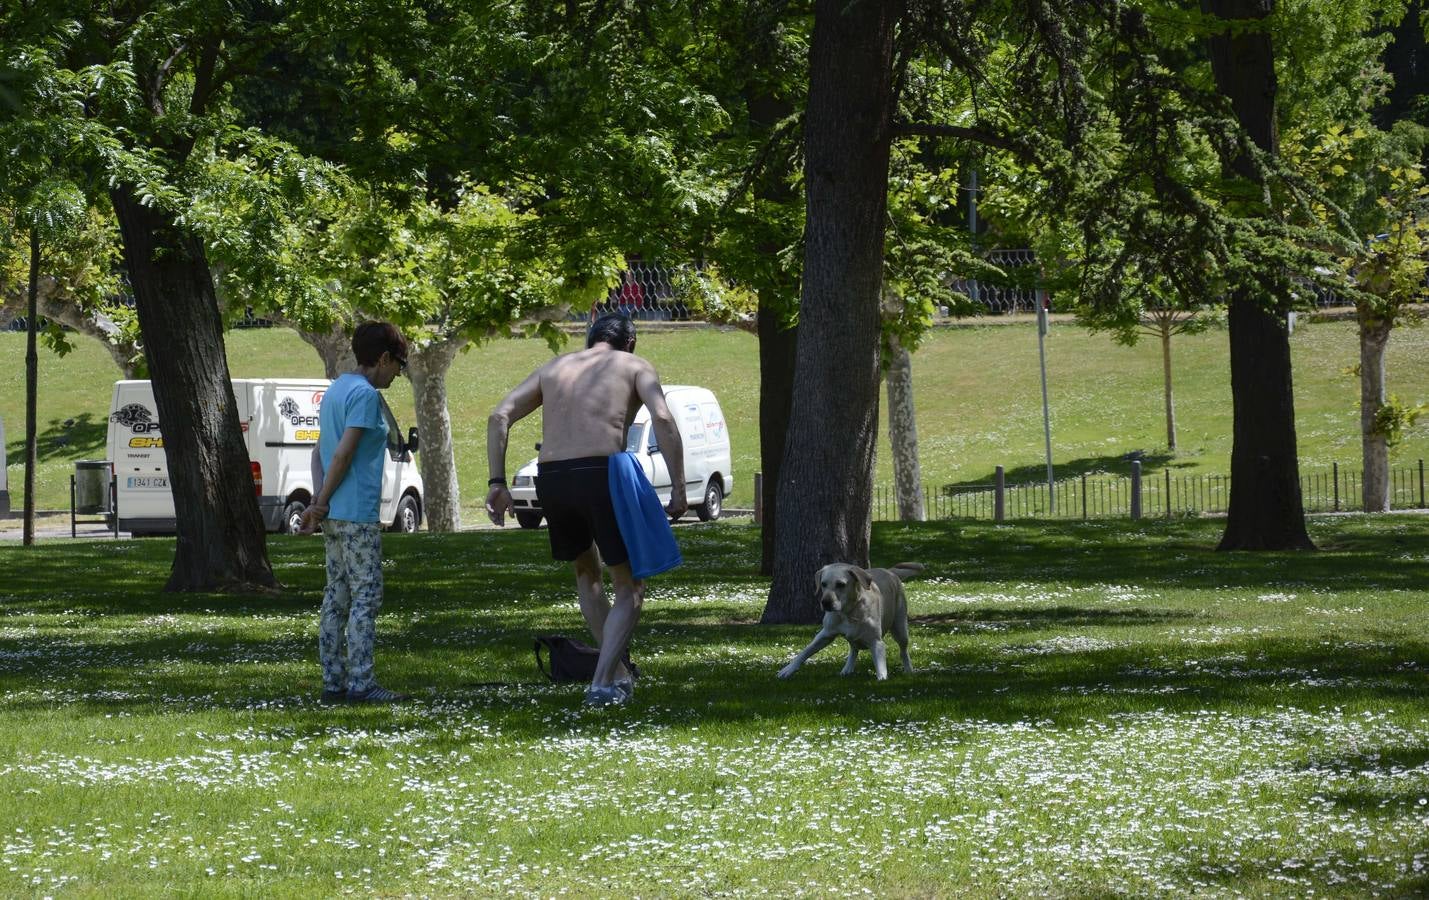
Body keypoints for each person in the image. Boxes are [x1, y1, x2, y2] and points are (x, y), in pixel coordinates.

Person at [485, 313, 687, 707]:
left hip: (553, 476)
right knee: (629, 587)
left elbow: (499, 415)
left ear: (590, 340)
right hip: (602, 471)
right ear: (630, 343)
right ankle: (600, 683)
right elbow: (662, 417)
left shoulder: (554, 367)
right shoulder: (634, 365)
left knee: (586, 573)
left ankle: (619, 673)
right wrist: (678, 487)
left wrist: (497, 483)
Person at [299, 321, 411, 705]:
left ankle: (333, 683)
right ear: (382, 358)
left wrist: (318, 503)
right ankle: (362, 684)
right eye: (400, 364)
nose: (399, 373)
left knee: (337, 596)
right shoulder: (364, 395)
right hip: (356, 513)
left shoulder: (336, 389)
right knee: (366, 597)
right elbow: (343, 453)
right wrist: (322, 500)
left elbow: (319, 452)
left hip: (333, 514)